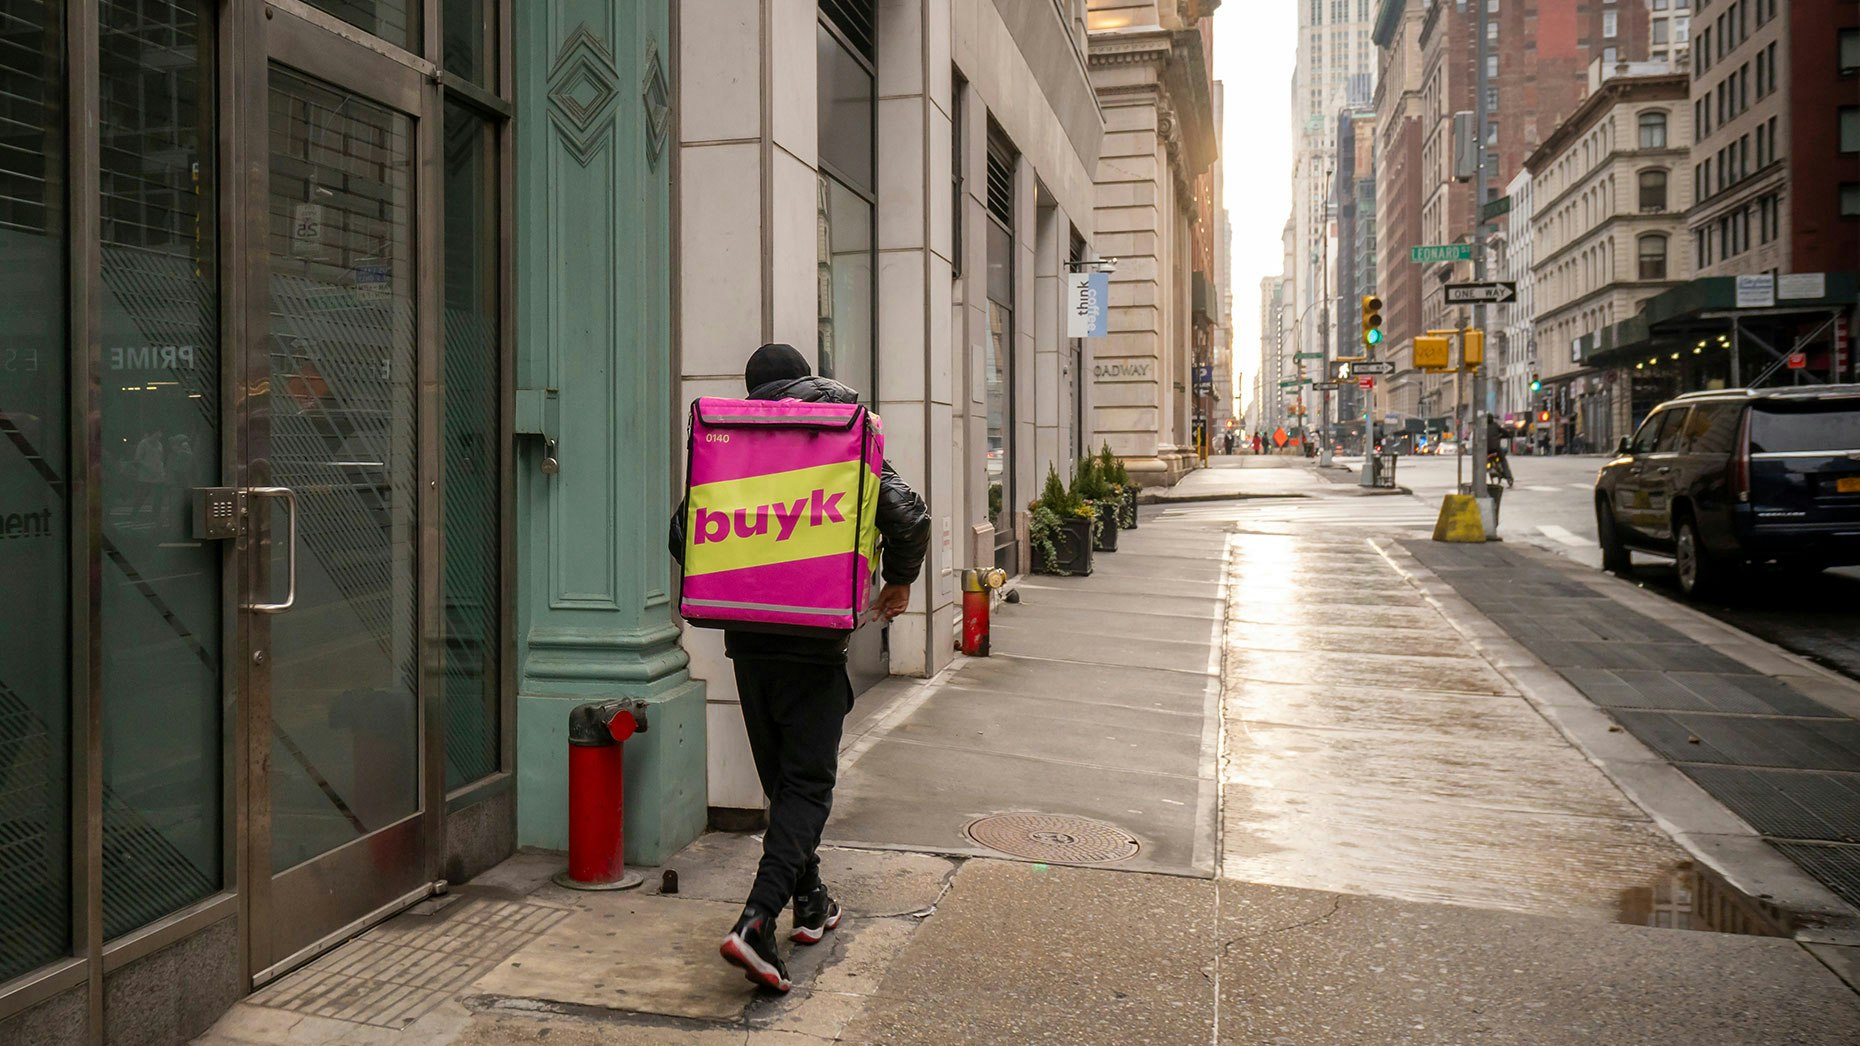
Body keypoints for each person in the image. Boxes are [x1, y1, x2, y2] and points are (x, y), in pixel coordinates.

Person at [671, 343, 931, 994]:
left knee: (786, 784)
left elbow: (682, 536)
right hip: (814, 640)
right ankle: (758, 921)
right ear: (806, 378)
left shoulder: (732, 444)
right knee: (807, 786)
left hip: (748, 637)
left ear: (755, 390)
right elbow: (909, 515)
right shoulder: (840, 436)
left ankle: (810, 902)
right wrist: (898, 583)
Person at [1485, 413, 1514, 487]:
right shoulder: (1495, 425)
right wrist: (1506, 435)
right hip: (1496, 449)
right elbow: (1505, 432)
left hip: (1486, 450)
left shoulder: (1483, 427)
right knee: (1503, 461)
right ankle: (1509, 477)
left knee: (1482, 461)